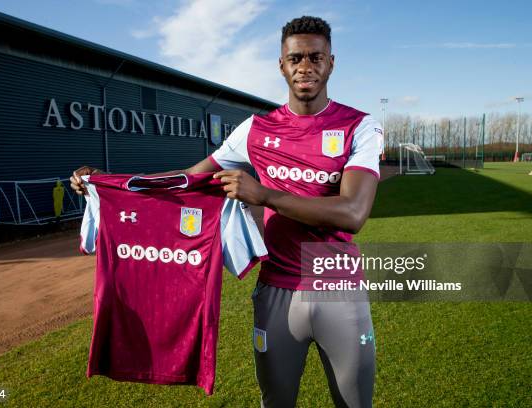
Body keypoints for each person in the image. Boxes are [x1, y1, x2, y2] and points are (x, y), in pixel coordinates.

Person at [70, 16, 382, 408]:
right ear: (281, 65)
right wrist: (109, 182)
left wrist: (264, 195)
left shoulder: (359, 125)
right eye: (296, 58)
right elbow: (188, 178)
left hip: (338, 288)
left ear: (331, 63)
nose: (306, 66)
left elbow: (353, 212)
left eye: (316, 57)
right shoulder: (256, 128)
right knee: (276, 403)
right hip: (277, 291)